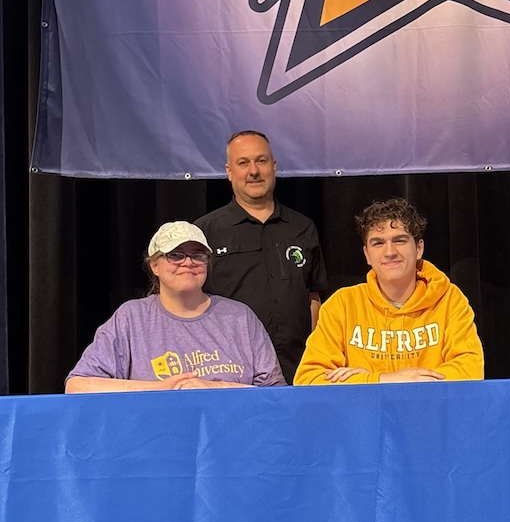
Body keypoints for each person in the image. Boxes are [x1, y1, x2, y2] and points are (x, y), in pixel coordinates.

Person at [65, 221, 286, 392]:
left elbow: (276, 394)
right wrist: (160, 389)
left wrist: (215, 387)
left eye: (197, 255)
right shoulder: (132, 318)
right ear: (155, 265)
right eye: (175, 255)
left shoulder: (240, 317)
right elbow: (77, 386)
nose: (188, 262)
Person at [294, 197, 483, 384]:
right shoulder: (342, 305)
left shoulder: (449, 300)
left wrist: (362, 382)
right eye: (378, 243)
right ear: (367, 254)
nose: (390, 252)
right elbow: (309, 379)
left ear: (419, 249)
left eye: (399, 240)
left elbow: (470, 371)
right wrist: (381, 380)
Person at [195, 131, 327, 384]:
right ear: (229, 172)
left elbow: (313, 299)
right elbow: (193, 305)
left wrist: (313, 361)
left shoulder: (303, 227)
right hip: (232, 376)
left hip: (297, 372)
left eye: (261, 161)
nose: (253, 171)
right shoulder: (206, 231)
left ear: (274, 166)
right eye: (243, 163)